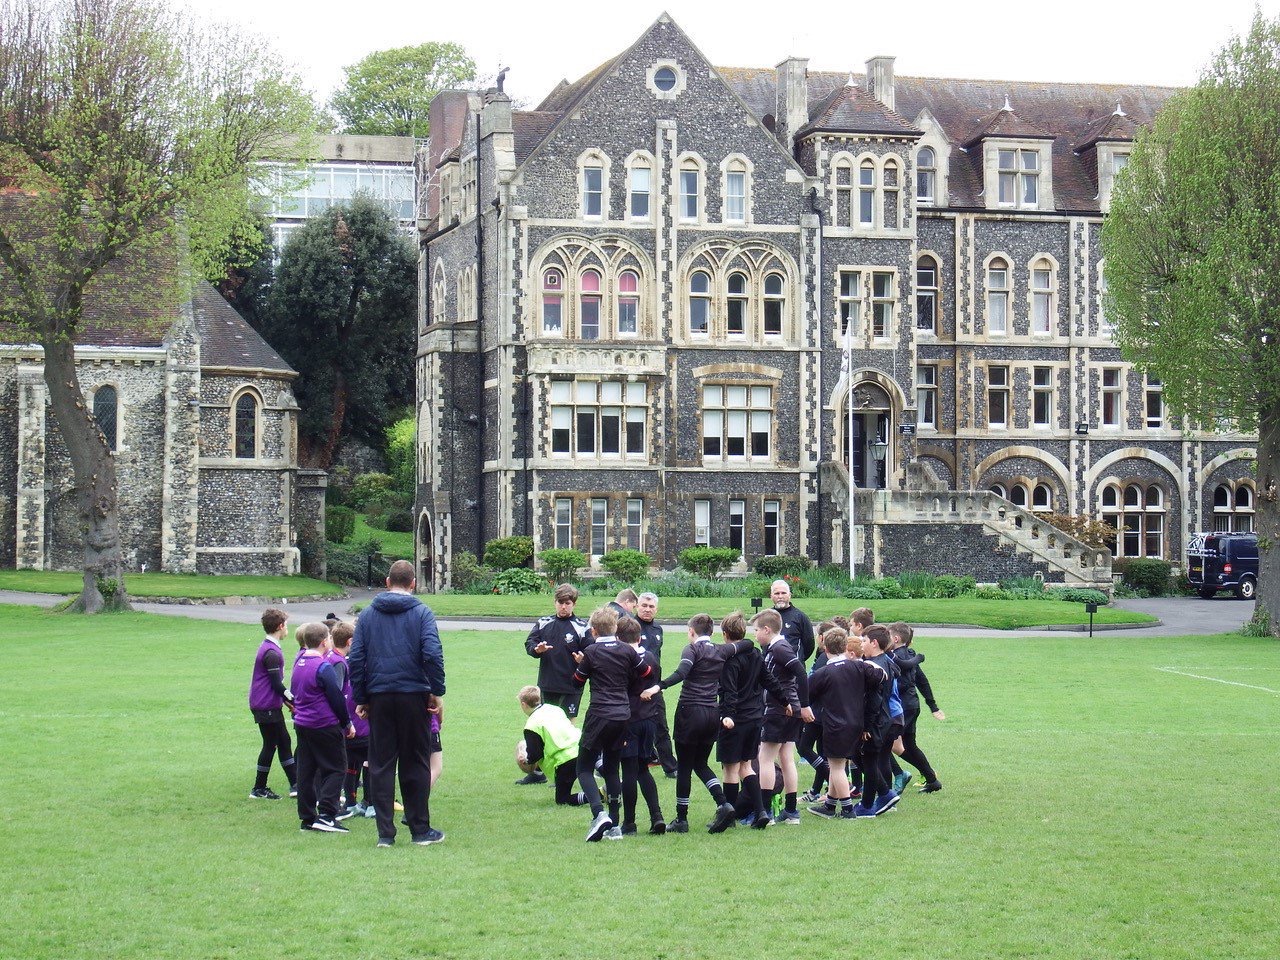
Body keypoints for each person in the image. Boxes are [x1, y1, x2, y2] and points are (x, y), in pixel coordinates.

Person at [349, 559, 446, 848]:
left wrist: (361, 697)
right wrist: (436, 691)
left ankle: (385, 834)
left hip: (380, 694)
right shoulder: (422, 613)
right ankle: (419, 829)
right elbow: (432, 653)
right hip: (413, 693)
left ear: (388, 582)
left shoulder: (367, 615)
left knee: (380, 764)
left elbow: (356, 658)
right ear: (413, 583)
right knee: (415, 761)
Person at [640, 613, 753, 834]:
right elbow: (747, 644)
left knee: (684, 766)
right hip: (712, 713)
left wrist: (657, 687)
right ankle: (723, 803)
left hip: (690, 712)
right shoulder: (721, 650)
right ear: (712, 632)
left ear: (691, 631)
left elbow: (682, 672)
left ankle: (681, 819)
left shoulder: (691, 649)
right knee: (700, 763)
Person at [571, 606, 652, 842]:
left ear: (594, 631)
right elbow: (646, 672)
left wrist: (581, 663)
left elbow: (577, 682)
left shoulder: (591, 651)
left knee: (584, 767)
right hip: (622, 715)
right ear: (615, 628)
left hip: (599, 714)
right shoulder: (627, 651)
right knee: (611, 766)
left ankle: (599, 814)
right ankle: (615, 825)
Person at [717, 611, 793, 829]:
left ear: (725, 634)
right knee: (747, 767)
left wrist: (728, 715)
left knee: (730, 769)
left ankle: (728, 816)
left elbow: (730, 691)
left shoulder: (730, 660)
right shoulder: (756, 654)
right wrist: (785, 700)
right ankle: (761, 811)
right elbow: (769, 679)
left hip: (735, 719)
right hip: (755, 717)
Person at [806, 627, 886, 819]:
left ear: (825, 648)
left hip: (835, 725)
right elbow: (882, 675)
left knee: (836, 766)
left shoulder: (823, 673)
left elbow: (806, 696)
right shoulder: (859, 667)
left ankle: (848, 809)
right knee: (839, 763)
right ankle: (830, 805)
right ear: (845, 647)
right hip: (856, 723)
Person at [291, 622, 356, 833]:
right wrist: (346, 723)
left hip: (303, 724)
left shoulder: (299, 663)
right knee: (336, 767)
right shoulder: (323, 667)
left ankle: (307, 817)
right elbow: (336, 698)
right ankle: (327, 814)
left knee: (306, 772)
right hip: (324, 724)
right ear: (323, 642)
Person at [753, 608, 815, 825]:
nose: (755, 634)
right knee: (786, 758)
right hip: (788, 710)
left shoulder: (779, 648)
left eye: (757, 630)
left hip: (780, 710)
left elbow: (800, 671)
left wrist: (804, 705)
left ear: (767, 629)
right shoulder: (774, 647)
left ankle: (766, 813)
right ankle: (790, 812)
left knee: (765, 758)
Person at [523, 583, 590, 752]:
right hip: (548, 683)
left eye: (567, 603)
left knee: (567, 727)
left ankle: (569, 764)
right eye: (560, 602)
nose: (563, 606)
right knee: (545, 725)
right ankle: (540, 768)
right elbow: (530, 643)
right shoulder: (544, 623)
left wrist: (583, 659)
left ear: (574, 604)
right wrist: (537, 650)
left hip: (572, 685)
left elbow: (591, 650)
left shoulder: (582, 627)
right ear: (555, 602)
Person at [616, 616, 667, 835]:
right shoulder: (650, 657)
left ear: (618, 638)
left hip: (628, 719)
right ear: (639, 637)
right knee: (643, 769)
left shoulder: (620, 659)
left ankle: (629, 823)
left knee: (629, 770)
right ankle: (657, 816)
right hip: (648, 720)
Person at [888, 622, 944, 794]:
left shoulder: (894, 657)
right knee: (910, 745)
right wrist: (932, 705)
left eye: (888, 636)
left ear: (895, 639)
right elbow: (922, 680)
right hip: (912, 705)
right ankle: (932, 780)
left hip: (902, 707)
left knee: (882, 743)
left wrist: (933, 706)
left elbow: (914, 677)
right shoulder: (909, 654)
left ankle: (889, 784)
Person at [248, 607, 298, 800]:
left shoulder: (269, 648)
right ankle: (261, 787)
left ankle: (293, 784)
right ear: (280, 626)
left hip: (266, 703)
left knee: (280, 741)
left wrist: (286, 700)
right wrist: (293, 699)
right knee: (273, 743)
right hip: (265, 705)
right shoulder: (272, 653)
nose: (288, 629)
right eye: (286, 625)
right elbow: (277, 684)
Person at [855, 625, 903, 817]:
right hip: (884, 719)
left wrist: (866, 725)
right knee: (869, 760)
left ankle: (869, 804)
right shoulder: (885, 661)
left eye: (864, 641)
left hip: (876, 721)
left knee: (869, 761)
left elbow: (874, 699)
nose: (862, 644)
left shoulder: (875, 666)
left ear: (874, 643)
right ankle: (882, 795)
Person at [518, 685, 587, 807]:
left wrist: (525, 759)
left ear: (523, 704)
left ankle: (600, 794)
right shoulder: (554, 709)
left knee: (562, 800)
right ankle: (613, 786)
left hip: (566, 760)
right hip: (582, 748)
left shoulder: (531, 726)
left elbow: (535, 755)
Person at [330, 622, 371, 816]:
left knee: (351, 763)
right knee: (369, 761)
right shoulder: (349, 664)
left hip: (348, 722)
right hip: (360, 722)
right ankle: (370, 803)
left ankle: (351, 802)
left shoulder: (335, 659)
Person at [635, 592, 677, 778]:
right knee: (622, 725)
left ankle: (670, 766)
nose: (647, 609)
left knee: (661, 727)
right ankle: (604, 763)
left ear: (656, 609)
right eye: (644, 605)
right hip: (634, 686)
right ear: (637, 606)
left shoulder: (658, 630)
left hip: (654, 686)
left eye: (651, 607)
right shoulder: (629, 627)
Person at [771, 579, 816, 663]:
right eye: (777, 593)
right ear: (771, 596)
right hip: (771, 669)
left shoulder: (800, 617)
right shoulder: (766, 616)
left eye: (783, 593)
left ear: (789, 595)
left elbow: (809, 644)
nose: (780, 596)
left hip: (794, 670)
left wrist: (797, 660)